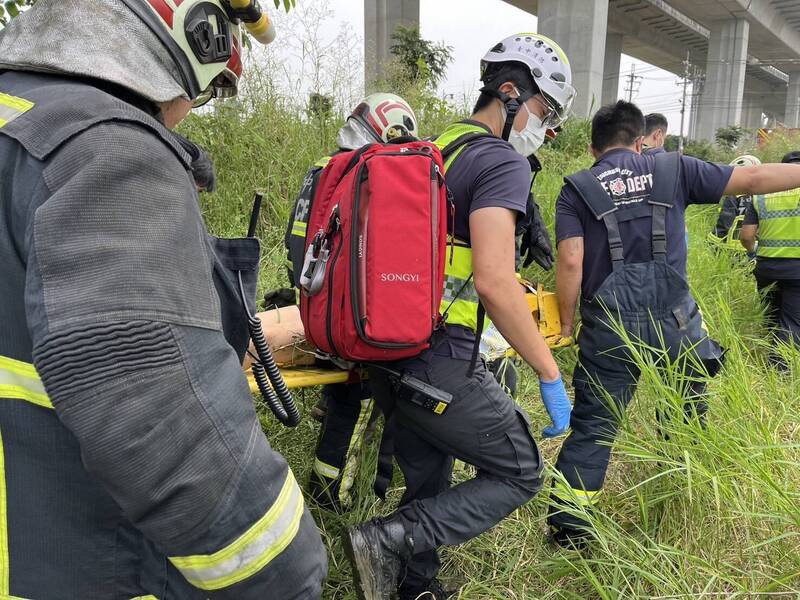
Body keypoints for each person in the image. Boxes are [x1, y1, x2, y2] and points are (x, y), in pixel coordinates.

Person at [0, 1, 326, 598]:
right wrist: (289, 574)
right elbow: (165, 428)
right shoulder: (105, 155)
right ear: (187, 32)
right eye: (197, 95)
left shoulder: (18, 127)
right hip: (68, 562)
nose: (182, 115)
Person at [343, 33, 575, 600]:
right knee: (521, 471)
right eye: (545, 111)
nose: (545, 128)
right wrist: (548, 372)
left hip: (391, 354)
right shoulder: (499, 161)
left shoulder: (437, 147)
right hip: (439, 360)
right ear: (512, 92)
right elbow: (495, 282)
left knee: (429, 475)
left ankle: (413, 587)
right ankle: (389, 539)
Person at [549, 100, 800, 548]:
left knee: (596, 423)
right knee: (686, 410)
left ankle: (571, 527)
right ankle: (680, 499)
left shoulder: (578, 187)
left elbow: (570, 260)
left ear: (593, 147)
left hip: (608, 325)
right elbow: (756, 178)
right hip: (677, 322)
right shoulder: (672, 169)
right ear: (640, 139)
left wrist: (567, 326)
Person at [284, 93, 420, 510]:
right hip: (349, 322)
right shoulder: (362, 177)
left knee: (341, 401)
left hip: (316, 309)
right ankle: (333, 499)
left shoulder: (323, 169)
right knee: (357, 407)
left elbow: (297, 242)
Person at [740, 150, 800, 360]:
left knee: (771, 316)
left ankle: (764, 357)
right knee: (792, 323)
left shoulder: (763, 194)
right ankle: (779, 371)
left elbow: (747, 235)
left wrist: (751, 254)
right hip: (797, 272)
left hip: (766, 267)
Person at [712, 155, 762, 243]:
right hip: (758, 248)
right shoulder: (764, 196)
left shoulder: (733, 196)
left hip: (733, 248)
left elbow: (724, 225)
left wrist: (711, 243)